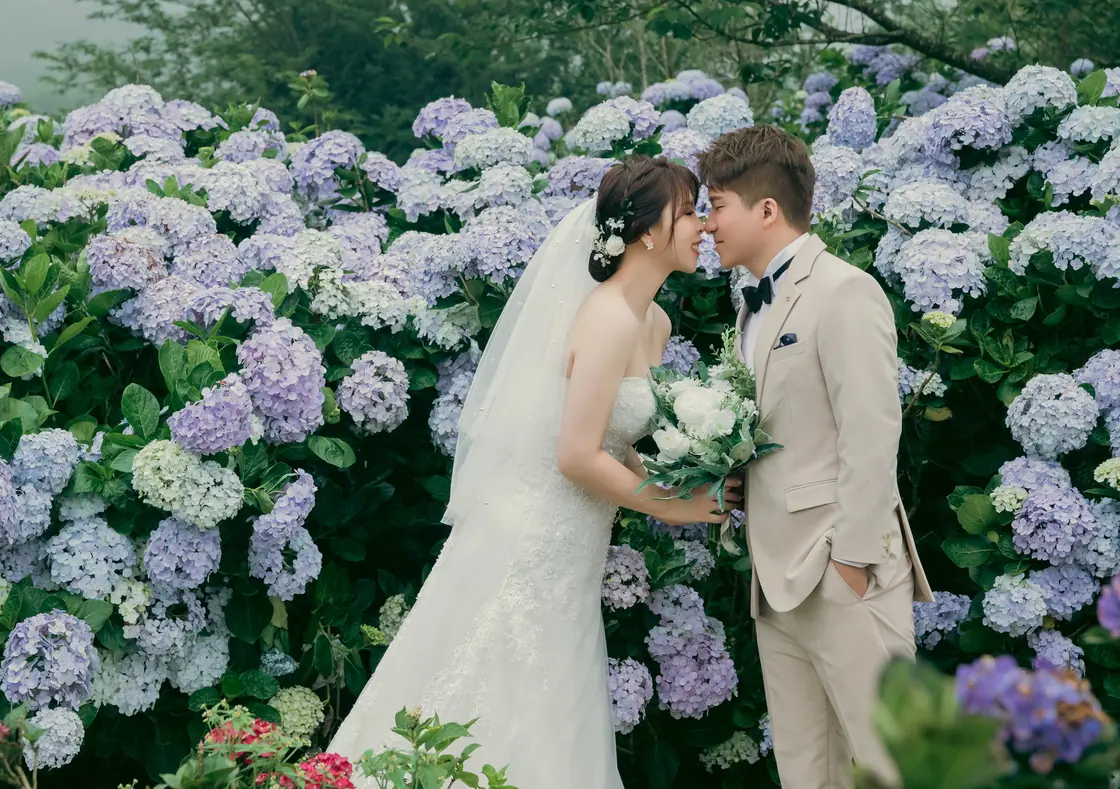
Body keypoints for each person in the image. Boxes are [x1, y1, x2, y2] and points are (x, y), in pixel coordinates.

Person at [327, 156, 738, 787]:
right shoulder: (606, 316)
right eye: (688, 213)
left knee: (550, 699)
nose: (703, 226)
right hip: (535, 533)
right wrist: (669, 506)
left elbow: (612, 437)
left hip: (578, 542)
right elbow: (575, 455)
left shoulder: (653, 321)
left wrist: (688, 477)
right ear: (648, 232)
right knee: (496, 688)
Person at [699, 125, 933, 789]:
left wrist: (850, 563)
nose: (707, 224)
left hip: (841, 568)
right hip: (774, 583)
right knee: (806, 772)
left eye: (717, 206)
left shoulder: (844, 291)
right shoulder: (750, 307)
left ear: (766, 210)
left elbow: (872, 431)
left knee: (894, 765)